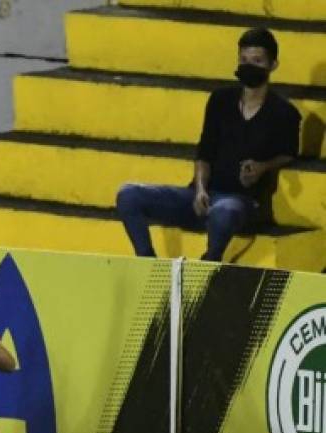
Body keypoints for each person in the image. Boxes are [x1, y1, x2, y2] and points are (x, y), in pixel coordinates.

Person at [116, 28, 301, 262]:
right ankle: (146, 261)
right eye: (243, 60)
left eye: (257, 61)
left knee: (224, 212)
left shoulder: (284, 112)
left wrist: (262, 167)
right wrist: (201, 189)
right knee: (129, 195)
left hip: (241, 201)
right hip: (201, 196)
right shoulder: (220, 100)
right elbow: (204, 152)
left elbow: (289, 154)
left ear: (273, 65)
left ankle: (209, 264)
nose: (248, 66)